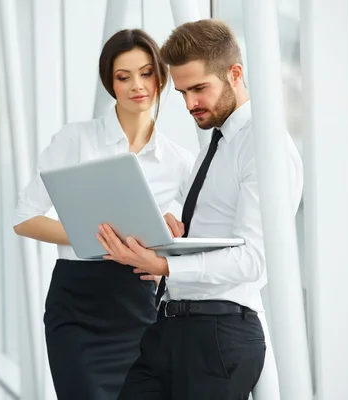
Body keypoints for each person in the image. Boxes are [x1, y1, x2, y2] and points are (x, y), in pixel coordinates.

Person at [96, 19, 303, 399]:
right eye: (182, 92)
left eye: (199, 89)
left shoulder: (264, 148)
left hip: (218, 337)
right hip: (171, 328)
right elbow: (219, 234)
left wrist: (167, 265)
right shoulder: (216, 143)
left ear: (235, 74)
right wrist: (176, 238)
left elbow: (255, 259)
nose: (191, 103)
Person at [13, 29, 195, 400]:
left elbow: (188, 238)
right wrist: (93, 234)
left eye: (145, 73)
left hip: (138, 306)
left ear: (161, 76)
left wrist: (171, 235)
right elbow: (24, 218)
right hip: (77, 305)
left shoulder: (179, 162)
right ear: (110, 84)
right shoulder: (76, 140)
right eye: (123, 77)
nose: (137, 86)